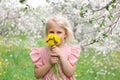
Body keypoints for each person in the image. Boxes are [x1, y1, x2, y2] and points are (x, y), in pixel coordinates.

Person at [30, 15, 81, 80]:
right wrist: (49, 63)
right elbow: (37, 75)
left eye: (59, 32)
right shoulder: (41, 52)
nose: (55, 35)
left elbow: (70, 73)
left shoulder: (71, 51)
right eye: (51, 32)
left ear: (65, 34)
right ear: (47, 33)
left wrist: (61, 55)